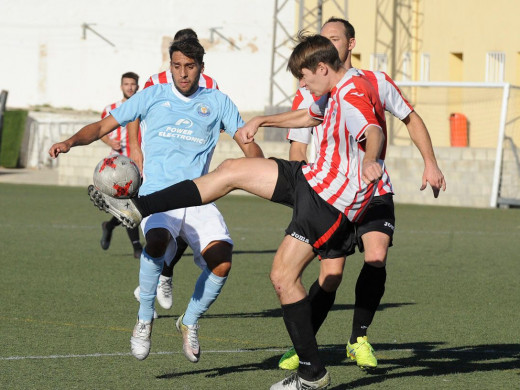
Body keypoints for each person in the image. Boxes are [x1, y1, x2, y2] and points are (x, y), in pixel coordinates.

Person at [86, 32, 388, 390]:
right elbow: (311, 116)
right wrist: (263, 120)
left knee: (282, 278)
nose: (302, 83)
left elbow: (371, 128)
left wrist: (370, 159)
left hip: (330, 202)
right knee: (230, 170)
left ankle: (312, 374)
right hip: (310, 179)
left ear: (323, 68)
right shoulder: (339, 87)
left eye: (305, 77)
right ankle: (140, 208)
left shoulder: (353, 92)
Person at [48, 37, 264, 363]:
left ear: (201, 68)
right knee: (158, 240)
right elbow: (103, 125)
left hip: (200, 194)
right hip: (156, 193)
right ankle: (144, 318)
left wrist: (258, 166)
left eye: (189, 67)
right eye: (176, 66)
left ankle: (188, 321)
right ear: (170, 66)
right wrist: (69, 142)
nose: (182, 73)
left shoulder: (218, 102)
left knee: (222, 262)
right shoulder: (152, 95)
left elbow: (248, 145)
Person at [277, 17, 447, 371]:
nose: (327, 43)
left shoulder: (375, 81)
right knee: (331, 275)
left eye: (334, 38)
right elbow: (297, 152)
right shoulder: (309, 90)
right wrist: (303, 200)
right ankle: (303, 344)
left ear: (350, 44)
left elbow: (410, 118)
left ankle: (358, 339)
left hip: (373, 190)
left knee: (376, 255)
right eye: (323, 38)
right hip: (330, 196)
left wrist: (430, 162)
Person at [128, 28, 219, 314]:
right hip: (158, 164)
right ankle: (153, 286)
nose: (184, 69)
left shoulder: (211, 86)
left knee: (182, 229)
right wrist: (135, 146)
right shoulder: (156, 82)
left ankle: (164, 275)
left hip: (192, 169)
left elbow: (212, 117)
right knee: (160, 230)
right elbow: (134, 112)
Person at [99, 71, 143, 259]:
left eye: (132, 84)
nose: (130, 87)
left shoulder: (143, 107)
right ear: (121, 86)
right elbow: (100, 131)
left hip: (138, 163)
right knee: (129, 203)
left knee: (137, 205)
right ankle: (137, 246)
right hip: (117, 165)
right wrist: (110, 143)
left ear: (137, 86)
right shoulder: (112, 108)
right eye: (126, 84)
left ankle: (109, 225)